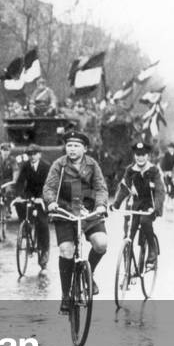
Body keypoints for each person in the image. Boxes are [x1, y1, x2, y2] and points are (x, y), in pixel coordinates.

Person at [43, 130, 109, 314]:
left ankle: (89, 273)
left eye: (76, 146)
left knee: (101, 243)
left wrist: (101, 205)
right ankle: (66, 294)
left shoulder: (92, 165)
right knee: (66, 250)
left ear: (85, 149)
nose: (71, 149)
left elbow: (101, 187)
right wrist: (51, 202)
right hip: (65, 212)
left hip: (89, 212)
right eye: (69, 145)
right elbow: (49, 187)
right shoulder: (59, 165)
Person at [112, 141, 165, 266]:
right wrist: (116, 204)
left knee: (145, 221)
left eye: (143, 155)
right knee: (128, 232)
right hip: (134, 205)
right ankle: (127, 265)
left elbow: (160, 191)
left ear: (148, 156)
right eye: (137, 155)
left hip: (149, 205)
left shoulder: (153, 170)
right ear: (134, 156)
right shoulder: (130, 170)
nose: (140, 158)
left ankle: (152, 248)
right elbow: (124, 188)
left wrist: (156, 208)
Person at [13, 144, 51, 269]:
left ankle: (44, 250)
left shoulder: (46, 166)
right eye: (30, 154)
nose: (32, 156)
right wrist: (18, 195)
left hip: (42, 196)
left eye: (34, 154)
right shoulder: (26, 166)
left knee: (43, 223)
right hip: (29, 194)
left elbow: (49, 185)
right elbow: (20, 182)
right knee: (19, 205)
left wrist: (42, 198)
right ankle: (25, 227)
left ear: (40, 154)